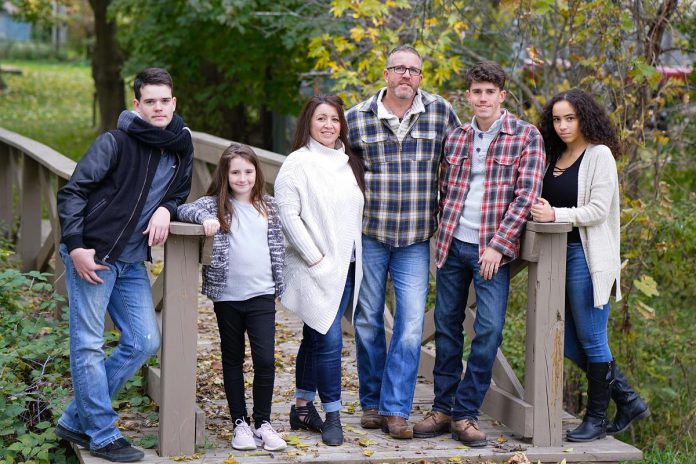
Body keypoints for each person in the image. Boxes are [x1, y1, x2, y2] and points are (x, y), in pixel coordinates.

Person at [54, 68, 193, 462]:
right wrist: (76, 245)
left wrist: (168, 209)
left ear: (174, 102)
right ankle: (100, 433)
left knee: (144, 341)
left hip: (131, 260)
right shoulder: (115, 141)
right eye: (150, 101)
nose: (159, 107)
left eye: (165, 100)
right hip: (94, 255)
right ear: (137, 104)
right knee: (87, 343)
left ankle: (75, 418)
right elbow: (74, 191)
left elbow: (179, 190)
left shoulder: (181, 143)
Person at [413, 61, 545, 446]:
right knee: (447, 328)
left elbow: (526, 196)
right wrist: (441, 236)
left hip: (491, 250)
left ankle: (465, 412)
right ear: (467, 96)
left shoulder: (525, 136)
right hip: (453, 245)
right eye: (476, 92)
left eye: (490, 92)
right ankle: (442, 409)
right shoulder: (455, 137)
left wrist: (498, 245)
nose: (483, 98)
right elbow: (444, 190)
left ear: (502, 96)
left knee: (487, 330)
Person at [345, 45, 460, 439]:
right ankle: (372, 404)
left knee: (411, 326)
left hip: (415, 237)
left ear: (421, 78)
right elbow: (329, 167)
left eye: (413, 70)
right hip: (370, 233)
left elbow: (465, 160)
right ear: (386, 73)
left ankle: (396, 409)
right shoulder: (356, 118)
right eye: (399, 68)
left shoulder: (441, 113)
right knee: (366, 320)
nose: (406, 76)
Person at [532, 89, 650, 442]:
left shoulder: (600, 156)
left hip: (587, 258)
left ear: (584, 118)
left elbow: (598, 210)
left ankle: (596, 419)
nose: (563, 125)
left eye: (570, 118)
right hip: (554, 258)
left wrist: (556, 214)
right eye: (556, 119)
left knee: (593, 339)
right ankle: (627, 400)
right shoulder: (554, 154)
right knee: (567, 341)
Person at [176, 143, 287, 452]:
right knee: (233, 358)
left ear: (257, 173)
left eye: (248, 171)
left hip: (263, 293)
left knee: (265, 360)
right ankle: (240, 423)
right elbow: (183, 209)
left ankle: (262, 422)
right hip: (227, 296)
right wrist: (204, 220)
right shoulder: (215, 205)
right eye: (235, 172)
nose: (242, 178)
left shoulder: (270, 206)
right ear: (225, 174)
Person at [274, 94, 365, 446]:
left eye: (334, 119)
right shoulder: (298, 163)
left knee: (315, 336)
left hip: (349, 267)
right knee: (328, 342)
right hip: (315, 268)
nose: (329, 126)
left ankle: (300, 407)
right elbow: (287, 214)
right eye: (321, 119)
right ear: (308, 124)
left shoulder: (348, 162)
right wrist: (315, 259)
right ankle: (334, 415)